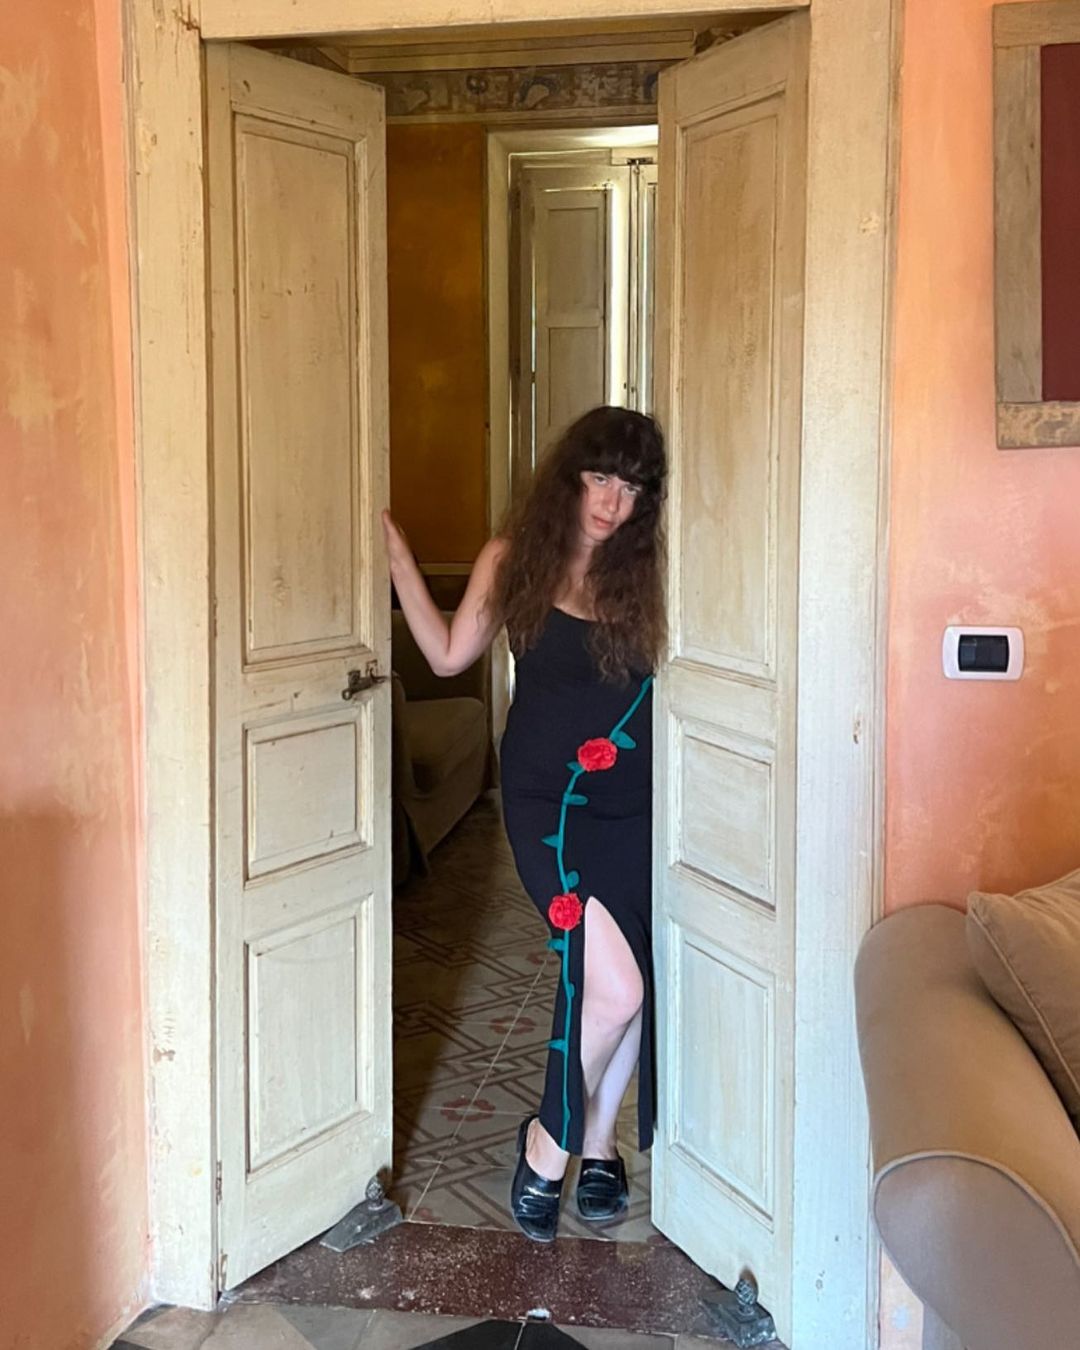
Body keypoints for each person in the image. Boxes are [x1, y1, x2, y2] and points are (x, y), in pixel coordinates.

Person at [382, 405, 667, 1243]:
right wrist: (397, 558)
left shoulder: (651, 571)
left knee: (629, 974)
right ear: (570, 476)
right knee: (615, 986)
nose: (612, 503)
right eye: (600, 478)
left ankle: (599, 1144)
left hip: (636, 803)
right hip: (549, 805)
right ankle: (548, 1141)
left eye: (632, 487)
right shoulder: (513, 559)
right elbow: (446, 655)